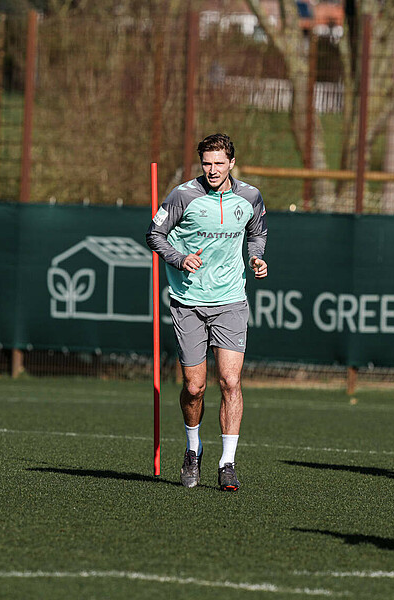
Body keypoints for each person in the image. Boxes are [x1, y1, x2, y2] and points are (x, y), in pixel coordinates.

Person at [145, 133, 268, 491]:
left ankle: (227, 462)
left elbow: (257, 233)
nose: (212, 170)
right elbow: (155, 235)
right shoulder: (183, 195)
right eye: (206, 163)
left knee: (230, 381)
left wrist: (256, 257)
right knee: (195, 388)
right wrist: (179, 259)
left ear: (232, 163)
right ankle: (192, 449)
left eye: (219, 163)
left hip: (231, 299)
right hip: (189, 301)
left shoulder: (250, 196)